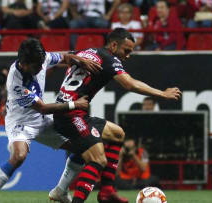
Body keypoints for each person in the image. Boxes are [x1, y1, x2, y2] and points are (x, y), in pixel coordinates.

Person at [50, 28, 181, 203]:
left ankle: (106, 192)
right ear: (113, 45)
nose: (128, 55)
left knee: (117, 134)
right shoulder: (108, 58)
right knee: (98, 159)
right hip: (70, 115)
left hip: (74, 113)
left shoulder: (86, 52)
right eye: (126, 50)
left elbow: (59, 59)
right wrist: (162, 94)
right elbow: (130, 84)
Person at [0, 38, 102, 203]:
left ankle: (61, 191)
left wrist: (81, 60)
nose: (42, 67)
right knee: (19, 156)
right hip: (20, 123)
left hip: (41, 121)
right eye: (37, 65)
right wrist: (74, 104)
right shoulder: (15, 81)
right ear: (24, 63)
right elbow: (43, 107)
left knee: (82, 147)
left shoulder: (41, 59)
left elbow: (65, 57)